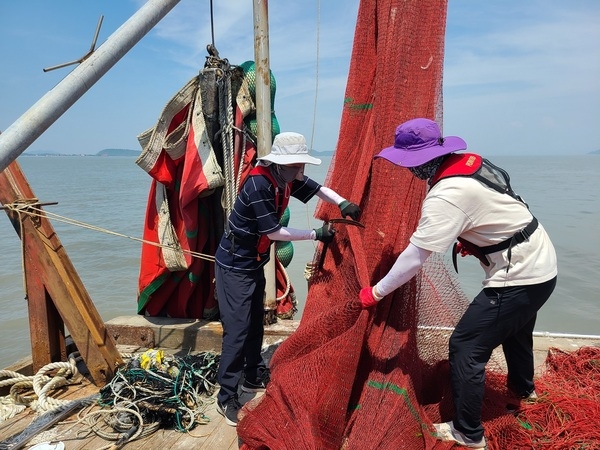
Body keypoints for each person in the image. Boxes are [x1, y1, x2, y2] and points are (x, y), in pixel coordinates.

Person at [359, 118, 557, 448]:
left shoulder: (446, 195)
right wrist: (479, 239)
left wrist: (376, 291)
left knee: (465, 347)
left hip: (520, 274)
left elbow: (415, 257)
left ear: (421, 161)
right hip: (542, 260)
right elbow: (502, 201)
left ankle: (468, 432)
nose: (408, 171)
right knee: (516, 330)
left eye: (409, 164)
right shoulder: (470, 163)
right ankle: (524, 392)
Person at [215, 131, 361, 426]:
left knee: (256, 321)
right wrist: (315, 234)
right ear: (280, 164)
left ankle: (253, 375)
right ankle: (226, 396)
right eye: (296, 166)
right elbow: (274, 233)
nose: (301, 171)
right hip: (234, 264)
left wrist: (343, 202)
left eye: (302, 165)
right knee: (238, 330)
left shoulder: (286, 177)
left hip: (254, 261)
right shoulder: (259, 184)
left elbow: (319, 189)